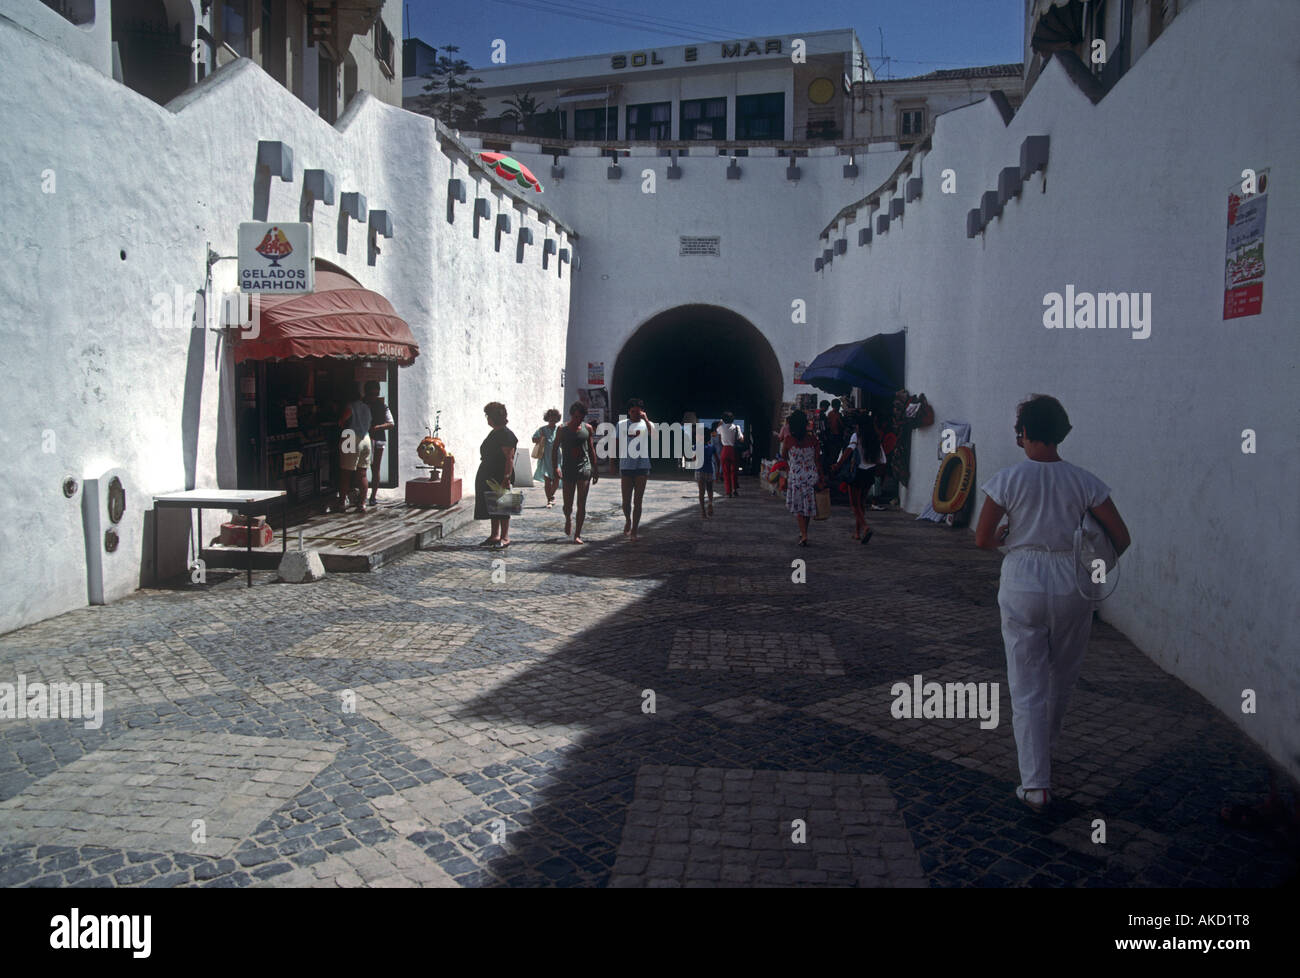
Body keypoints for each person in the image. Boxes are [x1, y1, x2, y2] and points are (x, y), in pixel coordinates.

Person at [974, 394, 1131, 812]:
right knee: (1061, 679)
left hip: (1022, 580)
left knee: (1025, 684)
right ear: (1061, 433)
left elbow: (982, 538)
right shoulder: (1085, 482)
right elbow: (1122, 537)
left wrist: (1010, 537)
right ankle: (1048, 750)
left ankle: (1036, 783)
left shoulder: (1007, 479)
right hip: (1072, 585)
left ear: (1024, 433)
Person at [473, 401, 519, 549]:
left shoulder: (506, 435)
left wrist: (506, 478)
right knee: (493, 505)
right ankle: (495, 535)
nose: (487, 419)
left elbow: (509, 458)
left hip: (500, 474)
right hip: (489, 473)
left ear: (493, 418)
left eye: (488, 416)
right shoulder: (495, 433)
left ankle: (505, 537)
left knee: (503, 506)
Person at [552, 401, 598, 543]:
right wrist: (555, 468)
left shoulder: (587, 428)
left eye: (581, 417)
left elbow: (591, 449)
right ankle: (568, 518)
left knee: (581, 503)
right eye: (576, 416)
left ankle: (577, 533)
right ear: (572, 415)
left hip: (584, 468)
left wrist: (595, 470)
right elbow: (554, 450)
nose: (578, 420)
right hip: (568, 468)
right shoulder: (562, 429)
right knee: (568, 503)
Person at [835, 411, 884, 543]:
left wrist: (838, 465)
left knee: (854, 504)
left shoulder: (856, 436)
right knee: (861, 503)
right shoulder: (875, 437)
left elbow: (848, 451)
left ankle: (865, 527)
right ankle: (857, 532)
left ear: (859, 425)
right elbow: (882, 459)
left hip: (857, 472)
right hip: (869, 473)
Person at [780, 409, 825, 546]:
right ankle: (804, 531)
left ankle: (804, 534)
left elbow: (783, 456)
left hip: (796, 477)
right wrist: (821, 476)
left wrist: (792, 466)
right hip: (811, 475)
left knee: (799, 507)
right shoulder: (813, 440)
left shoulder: (789, 440)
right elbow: (818, 460)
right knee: (808, 506)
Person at [333, 383, 372, 515]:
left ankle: (342, 501)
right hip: (366, 438)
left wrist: (341, 422)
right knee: (362, 473)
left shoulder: (350, 406)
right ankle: (362, 503)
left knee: (345, 472)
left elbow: (342, 420)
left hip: (350, 437)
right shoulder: (366, 407)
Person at [618, 398, 654, 541]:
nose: (635, 414)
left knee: (638, 500)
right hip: (626, 466)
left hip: (642, 466)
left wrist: (646, 419)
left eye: (638, 412)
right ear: (629, 412)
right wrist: (613, 463)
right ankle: (628, 519)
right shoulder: (622, 425)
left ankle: (634, 530)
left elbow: (655, 436)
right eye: (632, 412)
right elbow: (616, 442)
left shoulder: (647, 424)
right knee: (626, 501)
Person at [364, 381, 394, 508]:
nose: (374, 396)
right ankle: (369, 497)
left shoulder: (375, 405)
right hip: (373, 438)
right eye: (372, 393)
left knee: (371, 468)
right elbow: (390, 423)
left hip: (373, 438)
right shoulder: (380, 405)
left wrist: (376, 427)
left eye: (375, 394)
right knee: (369, 469)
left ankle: (371, 496)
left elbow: (391, 423)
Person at [532, 408, 562, 507]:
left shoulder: (559, 429)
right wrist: (541, 437)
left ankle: (551, 496)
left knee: (557, 480)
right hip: (545, 457)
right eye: (550, 418)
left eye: (554, 418)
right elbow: (534, 439)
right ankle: (549, 499)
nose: (552, 420)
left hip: (557, 457)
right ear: (547, 418)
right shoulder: (542, 430)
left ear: (557, 419)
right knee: (547, 480)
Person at [718, 410, 745, 497]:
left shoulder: (721, 427)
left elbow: (717, 432)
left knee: (726, 472)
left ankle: (728, 492)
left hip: (725, 450)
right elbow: (741, 439)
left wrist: (721, 422)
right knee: (734, 471)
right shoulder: (737, 427)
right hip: (734, 450)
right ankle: (735, 490)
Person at [696, 428, 719, 517]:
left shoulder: (696, 446)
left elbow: (693, 458)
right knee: (710, 489)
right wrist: (718, 472)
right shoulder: (712, 447)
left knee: (701, 492)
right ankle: (710, 503)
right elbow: (717, 460)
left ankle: (703, 511)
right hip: (709, 470)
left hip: (699, 471)